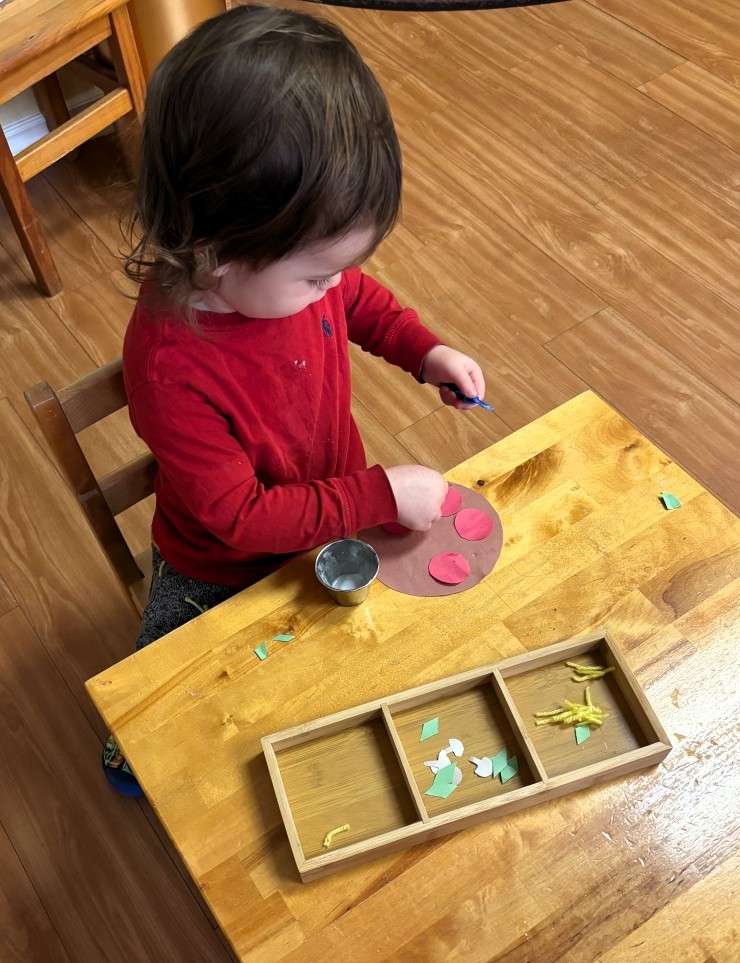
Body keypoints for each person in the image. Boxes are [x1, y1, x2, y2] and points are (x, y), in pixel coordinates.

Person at [103, 4, 486, 795]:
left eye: (334, 269)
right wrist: (378, 493)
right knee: (173, 691)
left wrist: (424, 349)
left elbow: (355, 299)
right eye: (315, 274)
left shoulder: (280, 272)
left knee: (342, 668)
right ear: (210, 253)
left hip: (328, 512)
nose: (331, 287)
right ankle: (130, 745)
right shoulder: (172, 367)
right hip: (220, 561)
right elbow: (239, 518)